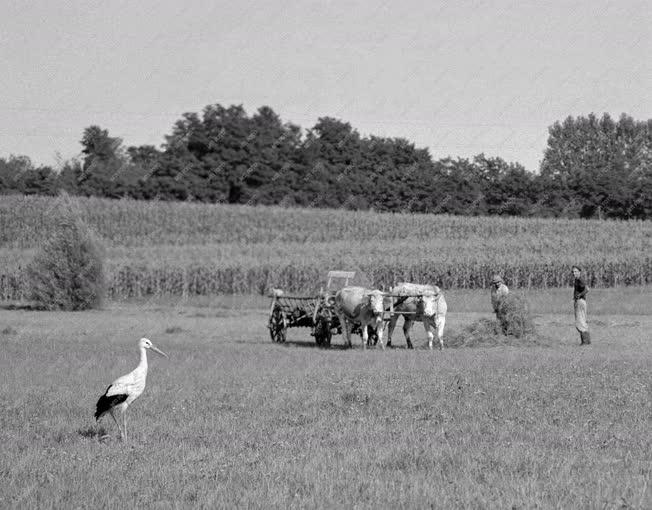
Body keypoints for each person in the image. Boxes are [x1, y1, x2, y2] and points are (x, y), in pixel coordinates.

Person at [572, 266, 591, 345]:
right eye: (573, 272)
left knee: (580, 321)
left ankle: (585, 342)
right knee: (580, 321)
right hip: (579, 301)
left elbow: (587, 289)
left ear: (579, 272)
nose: (574, 273)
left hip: (580, 302)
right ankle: (586, 341)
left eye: (576, 271)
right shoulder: (577, 279)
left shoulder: (580, 279)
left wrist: (579, 295)